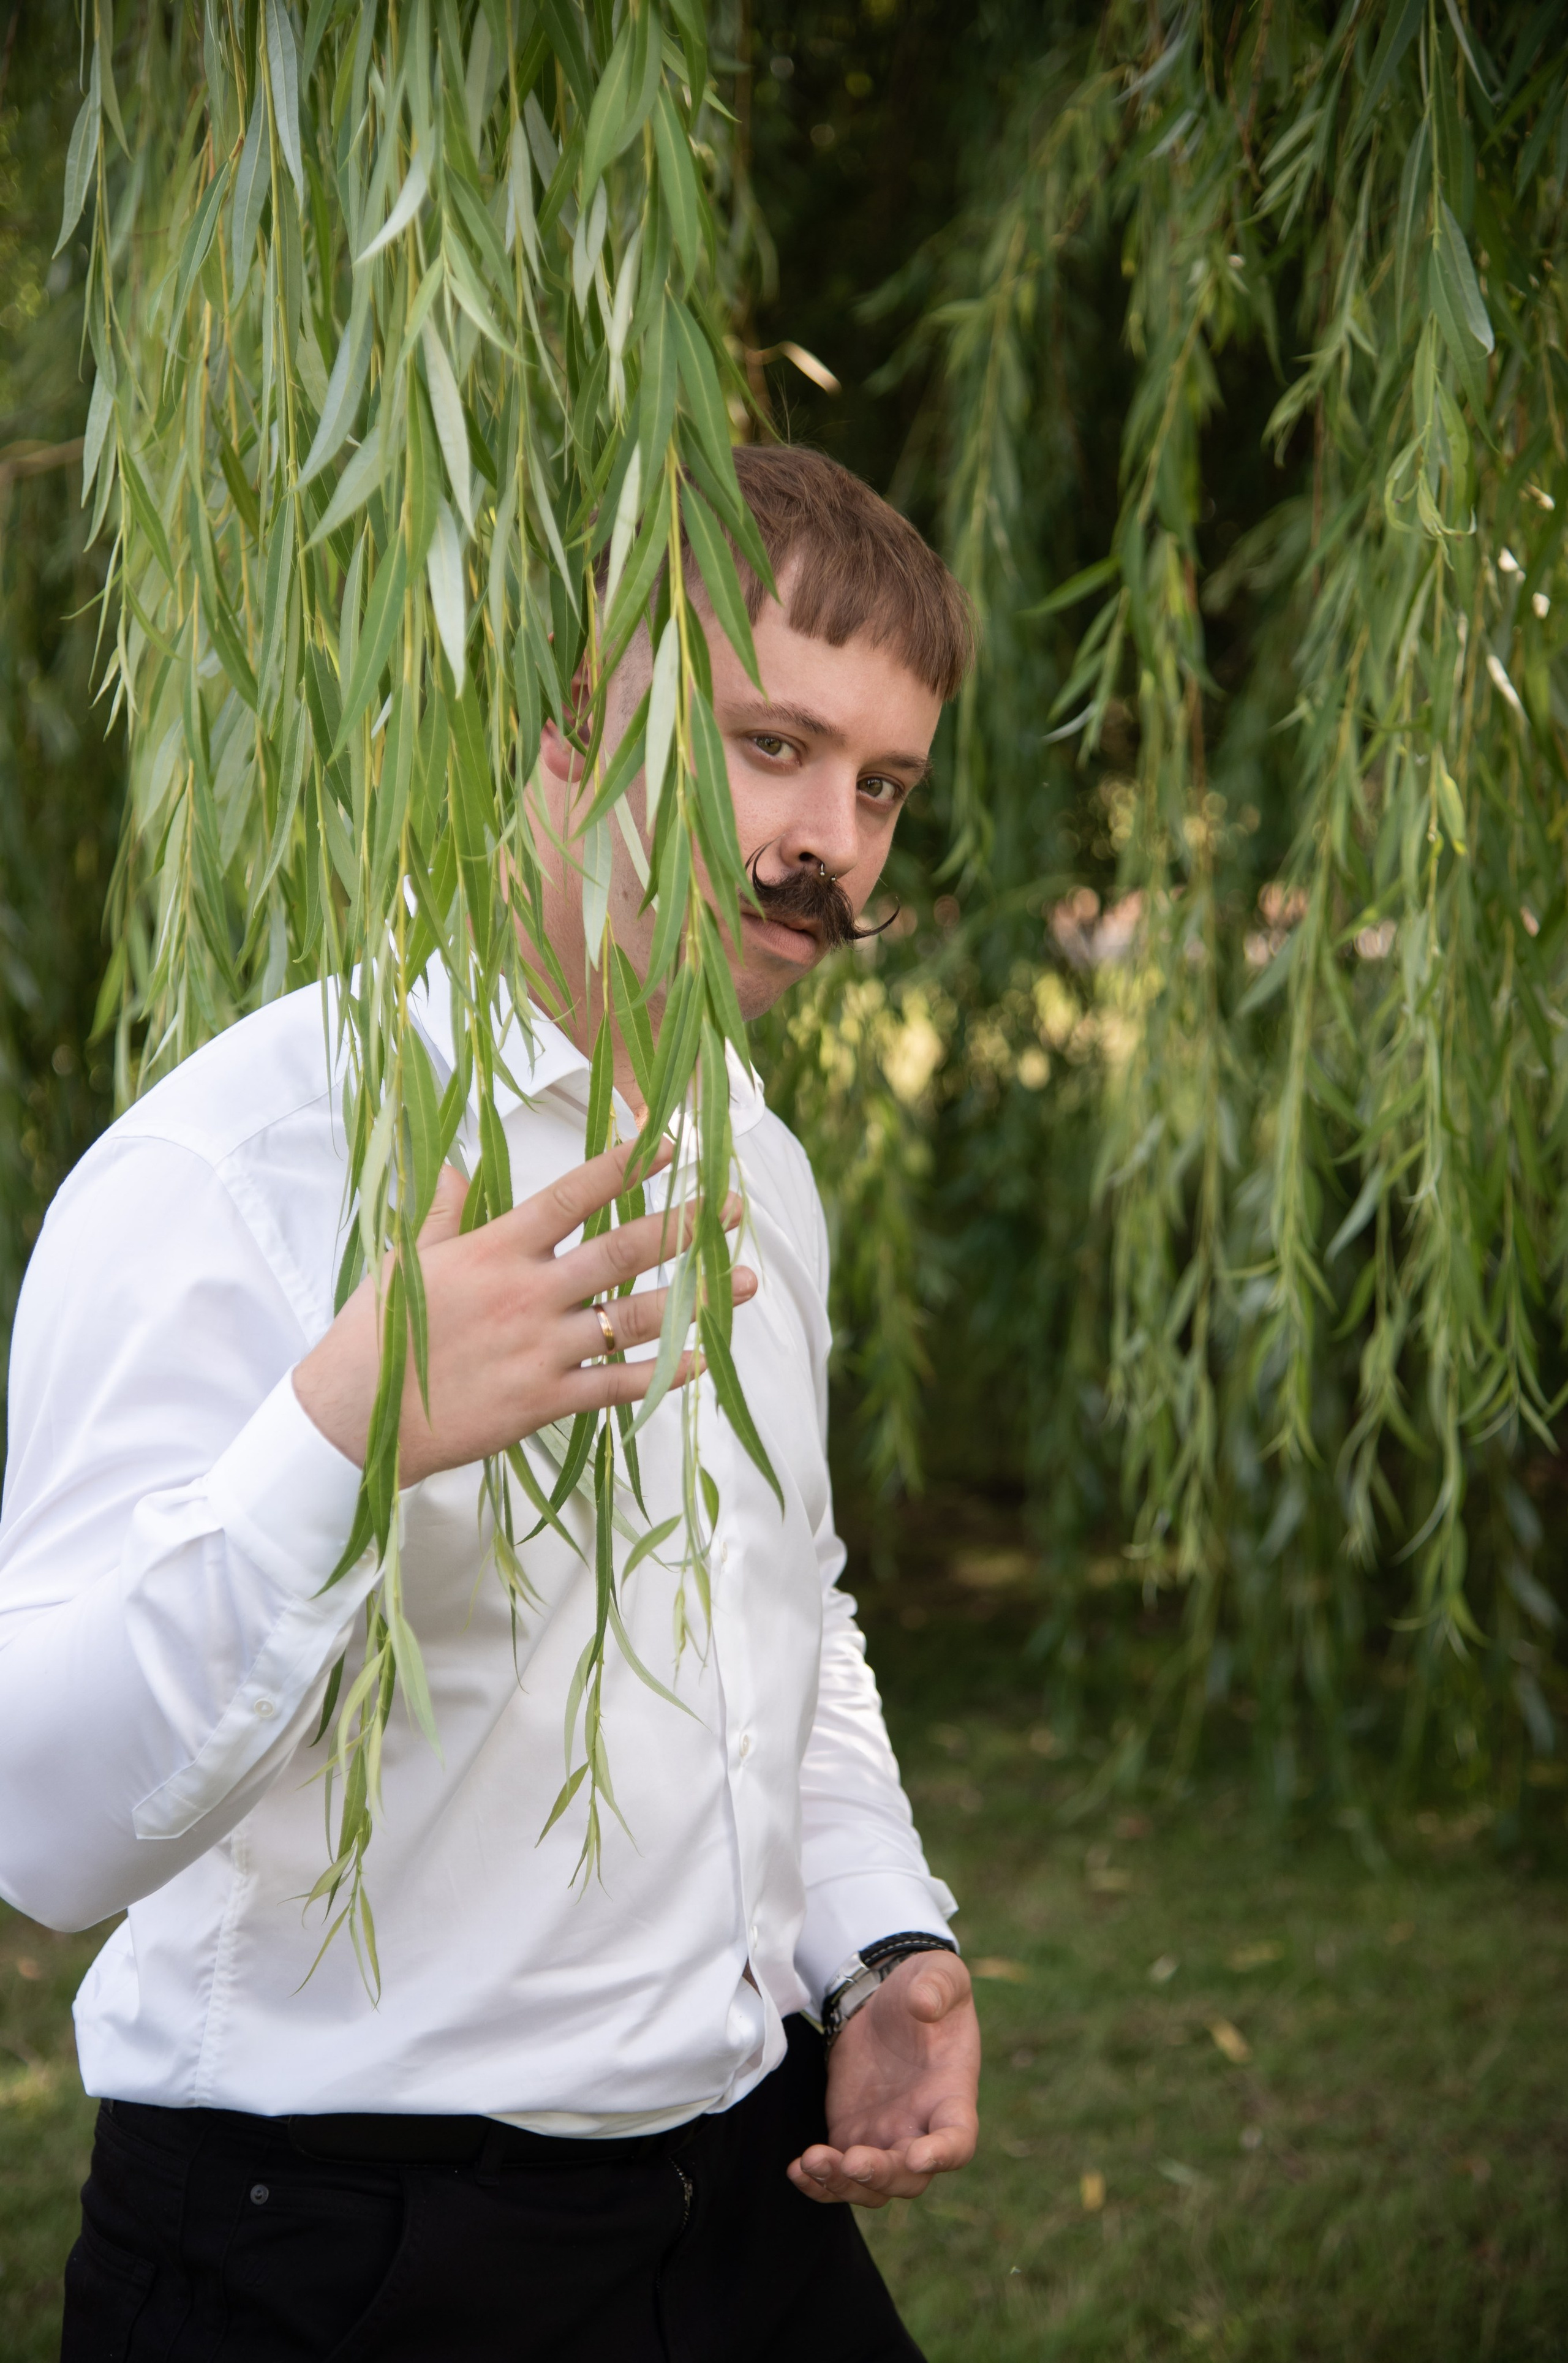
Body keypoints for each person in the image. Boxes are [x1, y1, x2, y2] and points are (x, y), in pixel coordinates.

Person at [0, 445, 980, 2362]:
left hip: (740, 2206)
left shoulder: (754, 1163)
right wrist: (343, 1439)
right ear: (551, 731)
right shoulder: (240, 1168)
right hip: (338, 2249)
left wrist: (876, 1936)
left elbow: (793, 1598)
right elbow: (42, 1825)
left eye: (880, 786)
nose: (834, 846)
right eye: (768, 744)